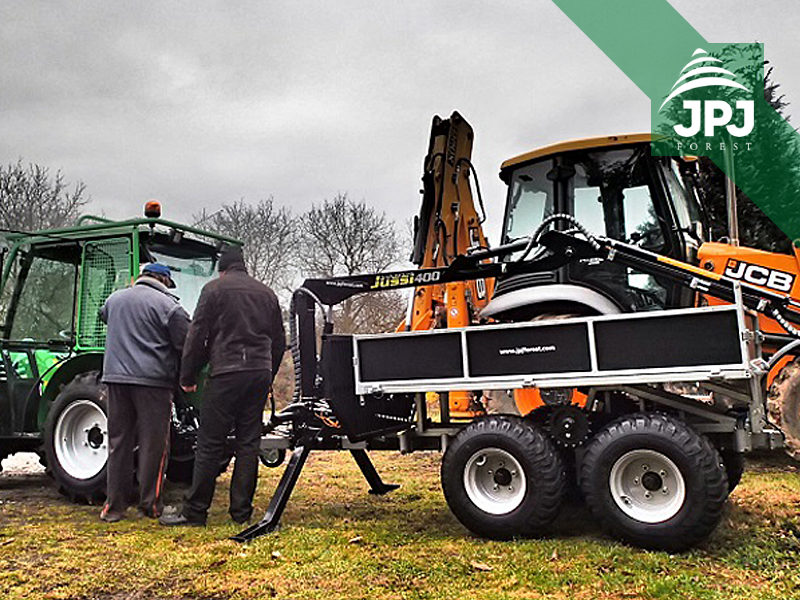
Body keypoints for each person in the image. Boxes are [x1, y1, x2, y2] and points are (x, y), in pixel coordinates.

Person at [159, 246, 286, 526]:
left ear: (222, 270)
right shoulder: (266, 293)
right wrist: (269, 375)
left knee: (209, 444)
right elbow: (279, 340)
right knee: (248, 444)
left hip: (226, 372)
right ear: (243, 266)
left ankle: (195, 512)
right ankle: (241, 513)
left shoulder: (214, 290)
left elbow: (197, 335)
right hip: (258, 372)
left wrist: (187, 376)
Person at [99, 263, 190, 522]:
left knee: (119, 442)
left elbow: (103, 315)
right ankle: (150, 505)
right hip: (153, 382)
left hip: (116, 379)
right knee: (154, 444)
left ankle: (114, 507)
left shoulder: (114, 299)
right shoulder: (169, 306)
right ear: (164, 280)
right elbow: (186, 343)